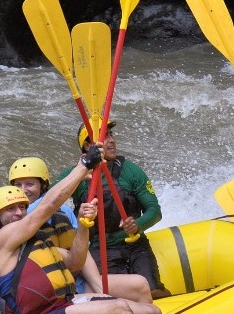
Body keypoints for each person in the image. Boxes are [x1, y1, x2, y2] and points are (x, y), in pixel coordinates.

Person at [0, 145, 162, 314]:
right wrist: (83, 167)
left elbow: (75, 261)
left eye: (22, 207)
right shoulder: (0, 244)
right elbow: (46, 207)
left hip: (66, 304)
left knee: (151, 312)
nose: (19, 213)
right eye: (10, 209)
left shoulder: (37, 244)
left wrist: (83, 224)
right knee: (119, 308)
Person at [8, 156, 152, 303]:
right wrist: (79, 173)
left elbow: (83, 254)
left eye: (29, 184)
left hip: (76, 284)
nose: (23, 190)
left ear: (43, 185)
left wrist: (101, 289)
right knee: (111, 304)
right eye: (17, 185)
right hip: (49, 293)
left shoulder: (63, 211)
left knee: (140, 285)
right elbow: (46, 206)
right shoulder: (15, 220)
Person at [66, 121, 170, 299]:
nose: (112, 141)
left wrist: (137, 225)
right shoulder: (75, 176)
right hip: (99, 249)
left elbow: (154, 210)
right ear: (88, 146)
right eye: (104, 136)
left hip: (134, 245)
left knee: (153, 292)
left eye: (111, 134)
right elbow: (51, 199)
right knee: (118, 299)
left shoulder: (130, 171)